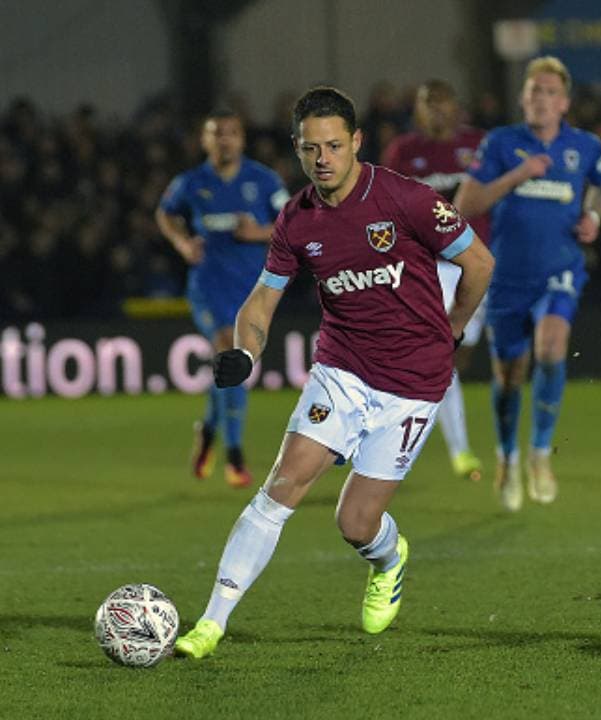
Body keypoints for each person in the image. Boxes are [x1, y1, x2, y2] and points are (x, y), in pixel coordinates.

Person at [174, 86, 494, 659]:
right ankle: (211, 623)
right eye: (310, 149)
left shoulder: (407, 199)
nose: (322, 159)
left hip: (413, 385)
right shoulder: (295, 221)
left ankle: (389, 557)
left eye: (333, 146)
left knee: (355, 522)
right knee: (282, 485)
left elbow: (478, 262)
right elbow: (261, 301)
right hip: (341, 371)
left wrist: (454, 328)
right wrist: (246, 353)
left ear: (356, 143)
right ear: (297, 150)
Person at [455, 56, 601, 512]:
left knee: (550, 349)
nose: (539, 99)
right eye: (532, 92)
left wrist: (595, 215)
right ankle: (507, 458)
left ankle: (540, 456)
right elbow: (465, 204)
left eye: (548, 92)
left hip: (560, 268)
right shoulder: (501, 144)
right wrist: (518, 175)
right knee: (510, 375)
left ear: (564, 102)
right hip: (506, 276)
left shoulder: (584, 146)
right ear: (523, 100)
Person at [156, 108, 289, 488]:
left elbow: (295, 221)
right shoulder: (191, 182)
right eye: (217, 134)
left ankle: (209, 431)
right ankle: (234, 456)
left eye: (231, 133)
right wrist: (182, 242)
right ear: (205, 140)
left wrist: (261, 232)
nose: (224, 140)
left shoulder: (263, 180)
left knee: (231, 369)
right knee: (230, 358)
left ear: (242, 139)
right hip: (208, 288)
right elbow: (164, 214)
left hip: (252, 291)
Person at [382, 78, 490, 483]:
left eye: (443, 102)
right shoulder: (404, 152)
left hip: (477, 264)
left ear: (456, 106)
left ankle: (416, 412)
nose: (437, 110)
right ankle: (460, 451)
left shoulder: (478, 146)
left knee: (456, 357)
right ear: (419, 109)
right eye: (428, 103)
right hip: (430, 267)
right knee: (442, 355)